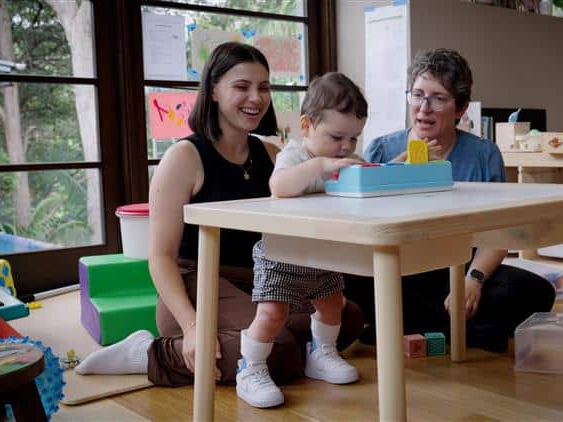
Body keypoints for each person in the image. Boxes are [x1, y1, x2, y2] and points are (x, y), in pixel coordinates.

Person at [74, 43, 364, 389]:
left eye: (264, 87)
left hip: (260, 279)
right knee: (277, 350)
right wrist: (191, 325)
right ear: (213, 90)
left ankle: (270, 349)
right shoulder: (184, 157)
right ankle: (151, 352)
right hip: (198, 282)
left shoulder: (271, 154)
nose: (256, 98)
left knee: (348, 316)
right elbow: (161, 258)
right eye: (242, 86)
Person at [343, 48, 556, 352]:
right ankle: (467, 333)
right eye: (417, 95)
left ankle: (396, 328)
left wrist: (474, 280)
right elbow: (361, 223)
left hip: (457, 267)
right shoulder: (382, 150)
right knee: (345, 279)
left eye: (438, 98)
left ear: (461, 108)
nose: (424, 108)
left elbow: (499, 232)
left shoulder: (483, 154)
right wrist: (399, 169)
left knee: (537, 292)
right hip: (397, 268)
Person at [236, 72, 367, 408]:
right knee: (272, 314)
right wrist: (319, 165)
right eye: (336, 136)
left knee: (333, 305)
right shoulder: (295, 155)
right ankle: (250, 368)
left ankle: (322, 353)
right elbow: (279, 186)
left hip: (322, 253)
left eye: (353, 138)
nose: (346, 147)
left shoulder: (342, 161)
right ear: (306, 126)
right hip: (282, 254)